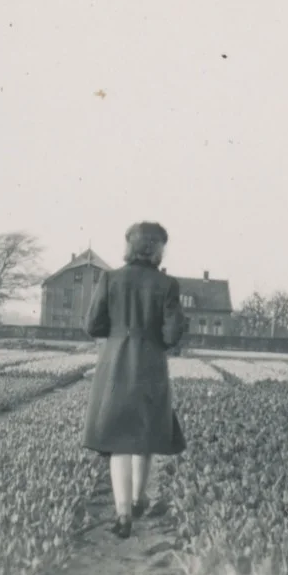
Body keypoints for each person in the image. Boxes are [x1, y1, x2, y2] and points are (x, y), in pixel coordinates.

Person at [82, 221, 188, 539]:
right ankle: (141, 499)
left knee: (118, 443)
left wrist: (117, 335)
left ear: (130, 245)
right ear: (157, 248)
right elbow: (171, 335)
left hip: (115, 366)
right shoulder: (168, 285)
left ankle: (123, 514)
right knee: (146, 435)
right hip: (151, 365)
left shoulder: (110, 278)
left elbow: (92, 325)